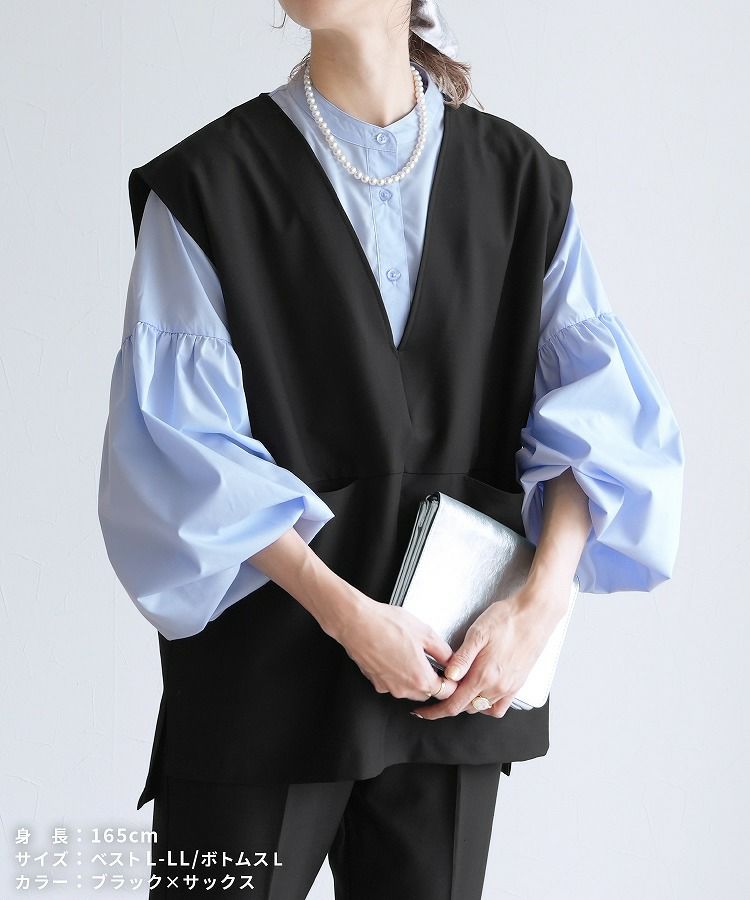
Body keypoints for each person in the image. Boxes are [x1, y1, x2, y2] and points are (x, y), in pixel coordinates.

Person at [97, 2, 685, 897]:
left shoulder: (523, 183)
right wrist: (347, 616)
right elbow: (182, 448)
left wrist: (540, 604)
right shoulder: (206, 185)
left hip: (453, 681)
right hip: (261, 682)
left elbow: (598, 416)